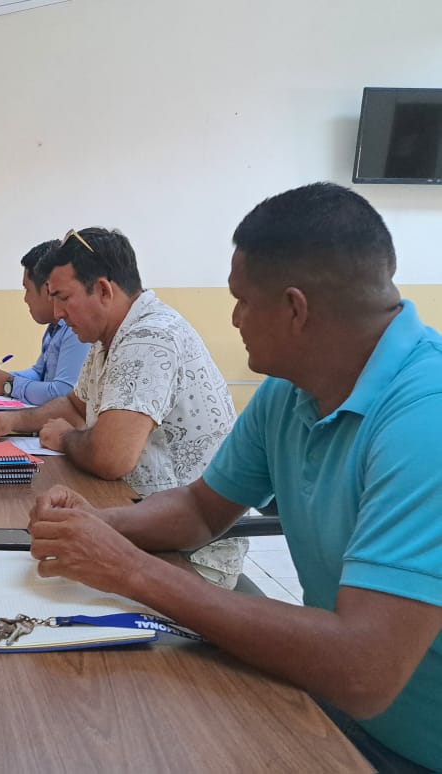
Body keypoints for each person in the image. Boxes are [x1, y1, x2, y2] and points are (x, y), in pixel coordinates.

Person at [28, 183, 442, 772]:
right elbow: (201, 510)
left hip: (401, 745)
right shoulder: (290, 389)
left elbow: (364, 671)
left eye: (242, 301)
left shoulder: (425, 421)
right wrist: (96, 524)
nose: (234, 318)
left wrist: (130, 569)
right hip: (328, 704)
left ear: (295, 309)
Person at [0, 227, 243, 587]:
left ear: (103, 289)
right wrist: (13, 421)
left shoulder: (149, 338)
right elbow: (74, 406)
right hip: (132, 521)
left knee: (12, 579)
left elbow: (111, 457)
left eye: (63, 298)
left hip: (187, 556)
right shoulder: (108, 337)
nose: (58, 313)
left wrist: (66, 438)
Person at [0, 239, 90, 404]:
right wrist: (0, 377)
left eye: (27, 289)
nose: (25, 299)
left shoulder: (76, 329)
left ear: (48, 289)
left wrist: (9, 385)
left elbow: (64, 392)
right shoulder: (54, 327)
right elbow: (38, 373)